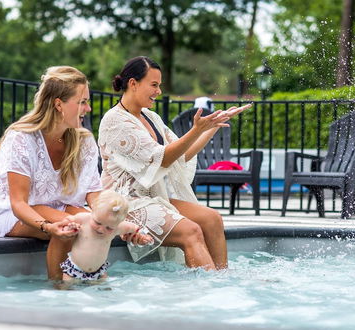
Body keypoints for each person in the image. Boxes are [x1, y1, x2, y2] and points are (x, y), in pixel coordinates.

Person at [98, 56, 251, 270]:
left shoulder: (150, 117)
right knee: (191, 231)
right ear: (133, 83)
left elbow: (182, 154)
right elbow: (163, 157)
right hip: (124, 203)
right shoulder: (115, 121)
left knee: (212, 219)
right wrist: (197, 129)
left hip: (153, 197)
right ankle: (207, 289)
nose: (158, 91)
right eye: (154, 85)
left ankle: (223, 280)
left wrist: (213, 126)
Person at [0, 66, 102, 280]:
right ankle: (59, 291)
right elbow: (19, 203)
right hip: (12, 214)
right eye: (82, 102)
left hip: (58, 209)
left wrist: (105, 219)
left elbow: (93, 191)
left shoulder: (84, 140)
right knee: (72, 229)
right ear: (58, 104)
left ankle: (91, 288)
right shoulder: (21, 139)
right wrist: (48, 227)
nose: (88, 109)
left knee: (93, 228)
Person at [60, 189, 153, 281]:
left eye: (109, 228)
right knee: (67, 289)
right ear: (93, 209)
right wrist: (69, 228)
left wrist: (142, 236)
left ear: (118, 223)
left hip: (99, 272)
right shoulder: (83, 219)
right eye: (98, 223)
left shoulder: (117, 228)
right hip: (74, 270)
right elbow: (64, 224)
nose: (101, 229)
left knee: (105, 292)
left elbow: (134, 227)